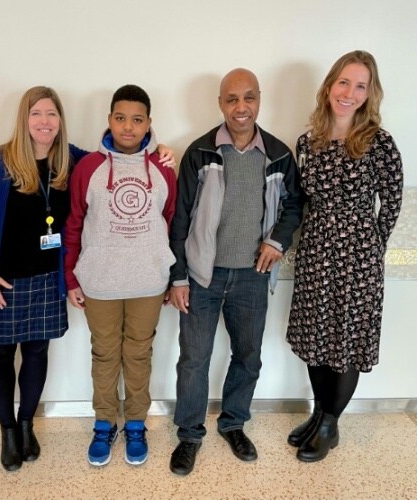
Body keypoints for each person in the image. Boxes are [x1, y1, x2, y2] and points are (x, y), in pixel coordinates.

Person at [0, 86, 175, 472]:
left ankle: (27, 426)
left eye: (51, 115)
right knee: (0, 355)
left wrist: (162, 152)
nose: (44, 122)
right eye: (36, 114)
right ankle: (9, 432)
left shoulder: (72, 161)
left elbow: (120, 162)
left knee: (36, 354)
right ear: (23, 119)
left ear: (60, 121)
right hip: (3, 278)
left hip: (46, 278)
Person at [168, 68, 303, 475]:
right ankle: (190, 435)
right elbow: (180, 218)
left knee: (248, 357)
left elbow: (294, 206)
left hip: (252, 277)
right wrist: (177, 276)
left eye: (248, 98)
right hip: (201, 277)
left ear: (259, 99)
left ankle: (233, 424)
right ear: (220, 103)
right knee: (194, 360)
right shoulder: (200, 152)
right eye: (231, 99)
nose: (240, 107)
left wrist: (276, 241)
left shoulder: (278, 153)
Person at [286, 50, 403, 462]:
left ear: (369, 94)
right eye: (344, 82)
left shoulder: (379, 143)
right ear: (330, 85)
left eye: (360, 86)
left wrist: (369, 247)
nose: (349, 92)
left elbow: (390, 203)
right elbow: (299, 198)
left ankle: (331, 424)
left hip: (358, 259)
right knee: (316, 336)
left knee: (346, 341)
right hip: (316, 251)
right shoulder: (307, 142)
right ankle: (319, 414)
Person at [64, 84, 177, 467]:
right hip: (100, 282)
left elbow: (170, 220)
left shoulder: (163, 169)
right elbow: (75, 224)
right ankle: (103, 423)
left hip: (147, 281)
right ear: (109, 119)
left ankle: (135, 424)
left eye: (137, 120)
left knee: (139, 354)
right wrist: (71, 278)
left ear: (148, 124)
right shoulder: (88, 169)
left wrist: (166, 270)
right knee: (105, 354)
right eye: (120, 118)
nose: (128, 127)